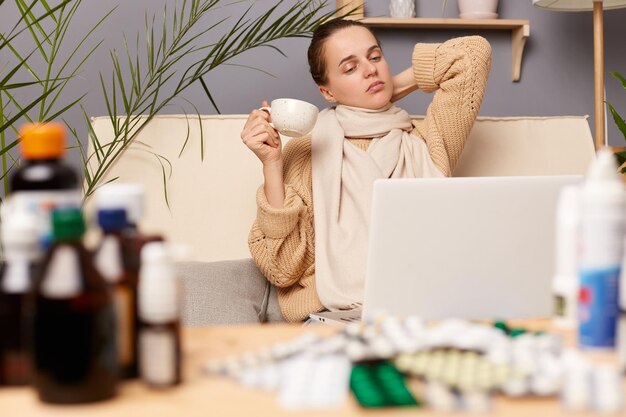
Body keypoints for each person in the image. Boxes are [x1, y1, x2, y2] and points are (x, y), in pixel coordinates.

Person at [240, 18, 492, 323]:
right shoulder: (307, 151)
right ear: (327, 93)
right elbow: (282, 270)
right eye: (350, 68)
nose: (370, 69)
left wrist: (386, 92)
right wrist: (272, 163)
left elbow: (472, 55)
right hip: (333, 318)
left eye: (375, 57)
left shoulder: (427, 142)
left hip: (419, 314)